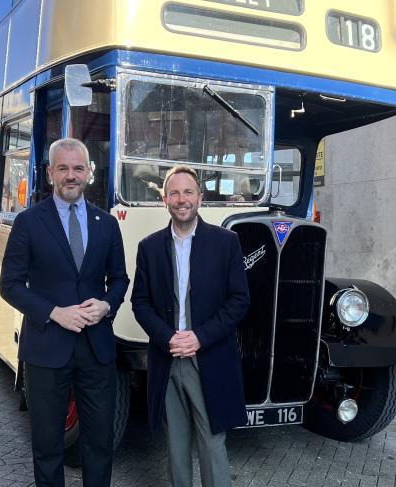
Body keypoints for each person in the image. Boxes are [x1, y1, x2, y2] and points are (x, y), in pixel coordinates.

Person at [0, 138, 129, 487]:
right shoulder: (28, 222)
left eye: (78, 168)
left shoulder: (106, 223)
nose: (71, 176)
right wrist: (54, 312)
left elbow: (119, 278)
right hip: (46, 347)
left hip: (97, 349)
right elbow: (9, 284)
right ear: (50, 173)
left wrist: (106, 305)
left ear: (89, 172)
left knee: (100, 442)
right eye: (63, 168)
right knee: (46, 445)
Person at [131, 166, 250, 487]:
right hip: (167, 360)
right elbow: (139, 303)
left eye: (187, 192)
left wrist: (198, 338)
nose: (181, 199)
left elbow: (239, 301)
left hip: (208, 359)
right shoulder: (149, 247)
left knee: (212, 443)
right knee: (176, 446)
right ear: (164, 200)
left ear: (200, 198)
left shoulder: (226, 243)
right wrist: (168, 337)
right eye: (174, 193)